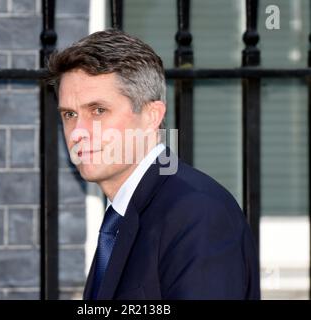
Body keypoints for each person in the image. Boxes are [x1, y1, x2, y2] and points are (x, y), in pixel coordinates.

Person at [47, 29, 260, 300]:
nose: (77, 132)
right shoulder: (126, 212)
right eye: (69, 114)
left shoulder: (197, 213)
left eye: (98, 111)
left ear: (151, 116)